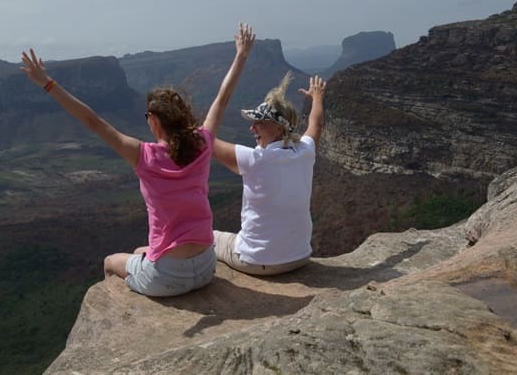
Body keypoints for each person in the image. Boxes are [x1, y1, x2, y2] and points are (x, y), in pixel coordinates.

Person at [19, 23, 255, 297]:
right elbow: (222, 99)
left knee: (111, 261)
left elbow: (92, 121)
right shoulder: (203, 142)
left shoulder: (143, 155)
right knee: (139, 251)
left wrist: (47, 83)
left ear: (154, 121)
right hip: (205, 267)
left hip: (167, 278)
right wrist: (241, 54)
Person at [211, 71, 327, 275]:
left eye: (260, 123)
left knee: (204, 236)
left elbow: (205, 141)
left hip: (257, 262)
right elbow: (315, 124)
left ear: (281, 129)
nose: (252, 128)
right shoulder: (305, 151)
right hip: (300, 257)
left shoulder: (255, 160)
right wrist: (317, 97)